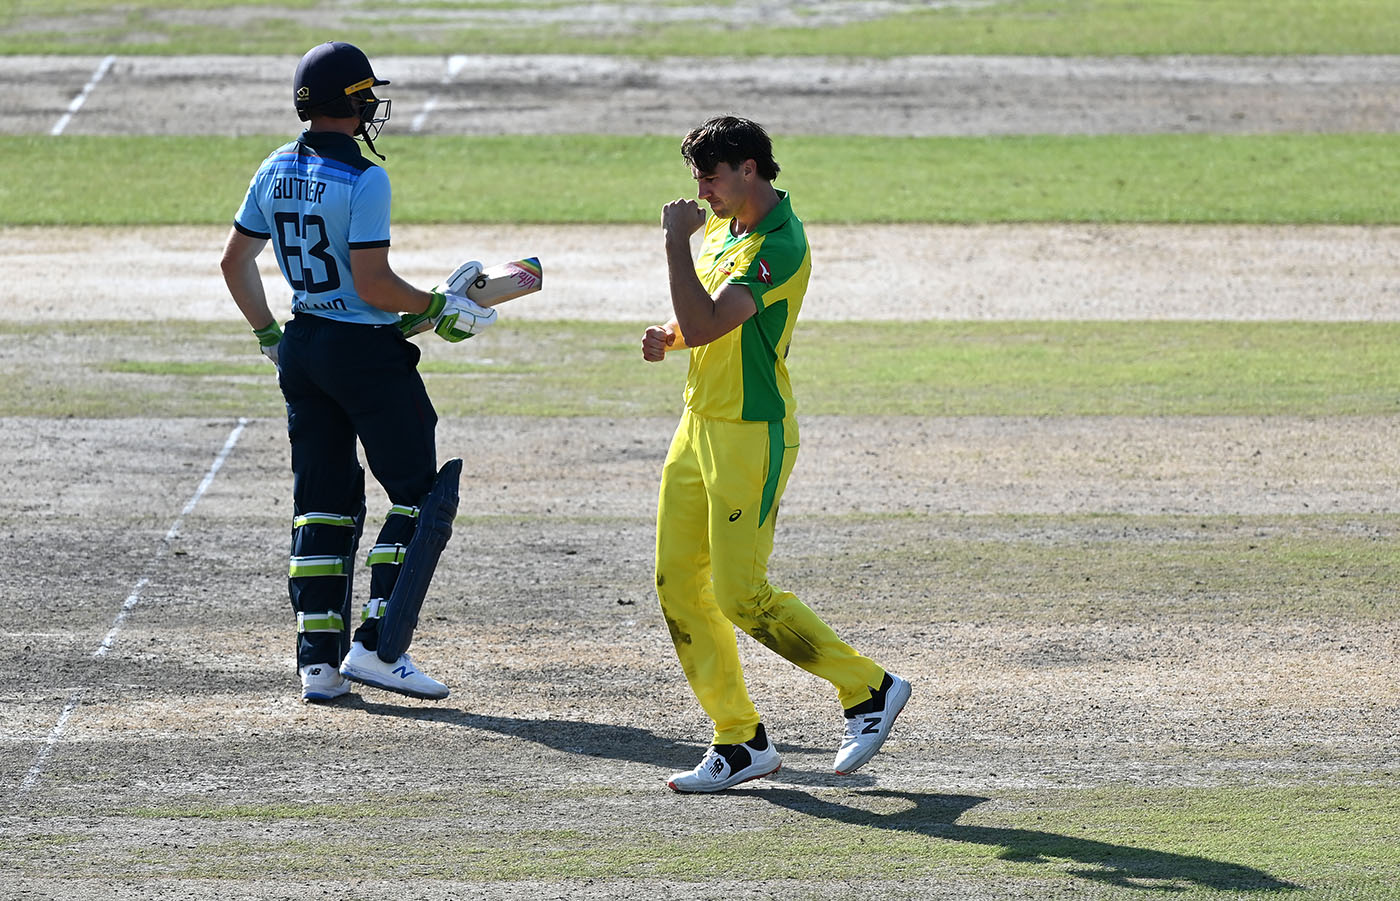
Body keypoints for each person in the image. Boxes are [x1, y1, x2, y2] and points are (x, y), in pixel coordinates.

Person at [220, 41, 497, 703]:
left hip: (305, 346)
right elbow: (373, 283)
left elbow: (235, 263)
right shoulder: (367, 178)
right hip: (366, 357)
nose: (372, 105)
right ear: (352, 103)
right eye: (366, 94)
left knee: (321, 502)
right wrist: (437, 307)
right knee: (418, 495)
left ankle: (318, 663)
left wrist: (269, 336)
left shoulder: (273, 166)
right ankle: (377, 647)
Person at [641, 115, 911, 792]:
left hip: (751, 433)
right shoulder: (726, 233)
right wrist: (671, 338)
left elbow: (712, 317)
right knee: (678, 583)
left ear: (750, 168)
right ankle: (738, 741)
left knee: (740, 593)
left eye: (711, 176)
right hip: (698, 424)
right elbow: (703, 321)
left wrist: (675, 244)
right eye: (696, 178)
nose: (701, 191)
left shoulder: (780, 245)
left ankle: (869, 688)